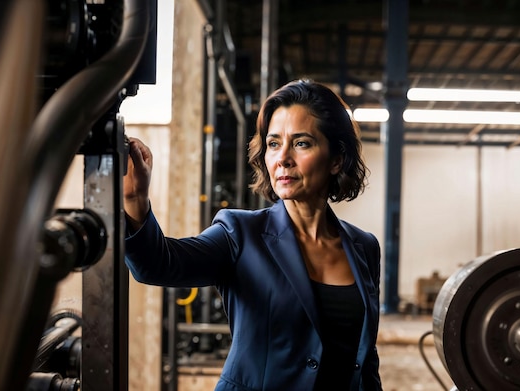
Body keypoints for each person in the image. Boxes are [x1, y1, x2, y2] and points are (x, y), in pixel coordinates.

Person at [123, 79, 383, 391]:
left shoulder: (364, 247)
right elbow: (156, 264)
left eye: (301, 143)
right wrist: (134, 200)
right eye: (274, 144)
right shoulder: (239, 233)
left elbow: (366, 357)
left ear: (336, 159)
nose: (283, 158)